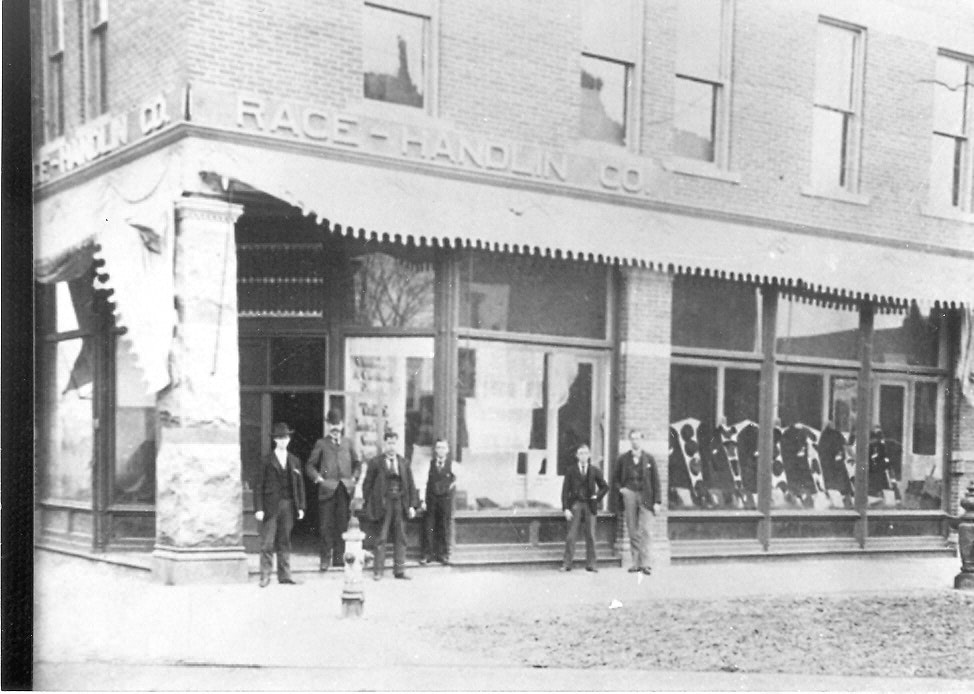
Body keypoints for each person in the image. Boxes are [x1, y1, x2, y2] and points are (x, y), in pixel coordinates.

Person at [306, 409, 361, 571]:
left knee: (342, 525)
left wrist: (354, 479)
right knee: (325, 526)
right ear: (328, 425)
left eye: (337, 424)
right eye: (332, 425)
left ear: (342, 425)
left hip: (344, 490)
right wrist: (319, 479)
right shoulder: (321, 444)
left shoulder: (348, 443)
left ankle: (339, 559)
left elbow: (357, 463)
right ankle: (324, 559)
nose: (335, 428)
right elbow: (309, 465)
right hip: (327, 490)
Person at [253, 422, 306, 587]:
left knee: (285, 541)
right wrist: (259, 508)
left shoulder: (294, 461)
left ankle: (284, 575)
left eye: (286, 438)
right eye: (280, 438)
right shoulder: (266, 460)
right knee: (268, 542)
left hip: (288, 505)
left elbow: (300, 485)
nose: (283, 441)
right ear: (275, 440)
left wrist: (301, 506)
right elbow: (259, 486)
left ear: (289, 440)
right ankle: (265, 575)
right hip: (270, 506)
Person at [362, 430, 420, 580]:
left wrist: (413, 505)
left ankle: (399, 571)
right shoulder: (376, 463)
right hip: (383, 503)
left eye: (394, 443)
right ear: (384, 444)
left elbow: (411, 485)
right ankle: (378, 571)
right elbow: (367, 485)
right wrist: (370, 503)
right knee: (381, 537)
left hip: (400, 502)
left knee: (401, 537)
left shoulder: (404, 463)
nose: (391, 446)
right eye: (389, 443)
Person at [614, 428, 662, 575]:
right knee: (633, 529)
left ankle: (645, 563)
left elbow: (656, 481)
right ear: (630, 440)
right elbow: (615, 479)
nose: (635, 441)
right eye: (633, 438)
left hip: (646, 496)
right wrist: (622, 490)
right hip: (629, 495)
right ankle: (635, 563)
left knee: (646, 530)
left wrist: (657, 501)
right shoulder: (623, 459)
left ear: (642, 440)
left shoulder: (649, 459)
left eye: (638, 438)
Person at [560, 442, 608, 572]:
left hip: (589, 505)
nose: (583, 456)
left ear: (589, 455)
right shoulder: (571, 471)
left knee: (591, 535)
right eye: (580, 453)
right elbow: (565, 491)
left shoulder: (594, 470)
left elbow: (605, 487)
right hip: (575, 504)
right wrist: (566, 508)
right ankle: (567, 564)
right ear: (576, 455)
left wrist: (596, 497)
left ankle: (591, 564)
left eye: (586, 453)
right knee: (571, 535)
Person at [421, 438, 456, 565]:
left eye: (443, 447)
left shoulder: (453, 465)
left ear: (448, 450)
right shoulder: (429, 464)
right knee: (429, 526)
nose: (441, 450)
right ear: (435, 450)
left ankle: (443, 554)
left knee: (444, 526)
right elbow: (424, 482)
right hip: (431, 499)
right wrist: (422, 500)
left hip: (445, 500)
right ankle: (427, 554)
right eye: (438, 447)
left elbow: (457, 480)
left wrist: (450, 487)